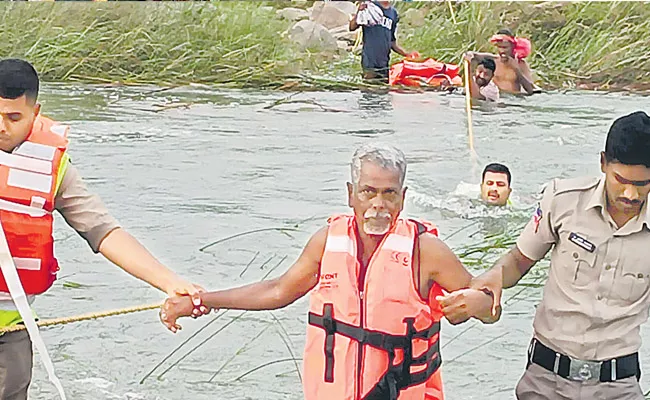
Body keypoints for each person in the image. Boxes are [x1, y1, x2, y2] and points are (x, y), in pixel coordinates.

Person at [160, 143, 497, 400]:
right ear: (351, 195)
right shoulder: (327, 242)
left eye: (389, 194)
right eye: (368, 192)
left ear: (403, 198)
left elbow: (489, 305)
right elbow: (277, 291)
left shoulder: (426, 251)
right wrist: (202, 300)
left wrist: (480, 305)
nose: (378, 204)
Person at [0, 58, 208, 399]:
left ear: (34, 114)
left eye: (13, 117)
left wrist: (169, 281)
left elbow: (103, 231)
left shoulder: (54, 169)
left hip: (12, 330)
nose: (1, 127)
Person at [467, 111, 650, 399]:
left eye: (642, 185)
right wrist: (494, 277)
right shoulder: (562, 200)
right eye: (621, 179)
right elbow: (517, 261)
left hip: (619, 386)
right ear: (603, 163)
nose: (630, 194)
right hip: (546, 381)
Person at [349, 1, 420, 83]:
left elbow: (392, 42)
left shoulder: (393, 13)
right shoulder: (370, 7)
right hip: (370, 60)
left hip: (384, 62)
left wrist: (406, 54)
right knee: (369, 89)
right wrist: (359, 12)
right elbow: (352, 27)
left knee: (383, 91)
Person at [467, 28, 535, 95]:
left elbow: (531, 90)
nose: (502, 51)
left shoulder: (521, 64)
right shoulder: (494, 59)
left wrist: (516, 70)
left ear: (513, 46)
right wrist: (469, 55)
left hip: (513, 100)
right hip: (497, 100)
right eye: (499, 47)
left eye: (505, 47)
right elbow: (474, 55)